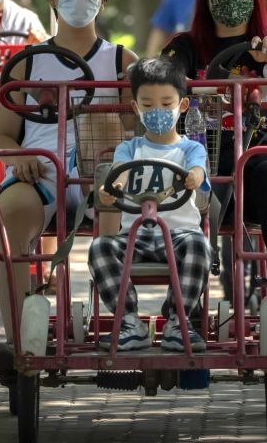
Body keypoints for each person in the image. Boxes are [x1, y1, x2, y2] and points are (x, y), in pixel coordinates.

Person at [0, 0, 138, 385]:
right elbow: (3, 135)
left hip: (101, 172)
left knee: (111, 188)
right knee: (8, 216)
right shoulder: (29, 62)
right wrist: (22, 156)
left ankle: (119, 324)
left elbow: (139, 127)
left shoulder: (122, 61)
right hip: (42, 173)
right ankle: (18, 341)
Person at [162, 0, 267, 334]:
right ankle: (186, 293)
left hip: (261, 154)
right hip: (204, 154)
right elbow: (165, 77)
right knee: (198, 184)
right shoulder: (186, 46)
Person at [89, 57, 211, 351]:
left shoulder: (190, 148)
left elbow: (198, 168)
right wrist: (111, 191)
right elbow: (119, 176)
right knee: (100, 248)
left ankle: (176, 321)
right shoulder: (130, 148)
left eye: (166, 103)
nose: (158, 111)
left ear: (181, 106)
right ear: (136, 108)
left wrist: (195, 175)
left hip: (180, 233)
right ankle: (129, 321)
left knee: (201, 247)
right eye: (148, 104)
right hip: (137, 234)